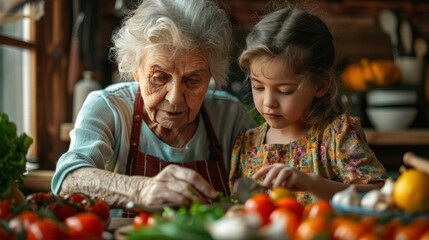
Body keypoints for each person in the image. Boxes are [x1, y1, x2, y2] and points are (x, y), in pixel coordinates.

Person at [51, 0, 256, 214]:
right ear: (136, 72)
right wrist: (140, 190)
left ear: (211, 77)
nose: (175, 98)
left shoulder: (231, 117)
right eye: (160, 77)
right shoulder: (109, 107)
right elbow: (67, 179)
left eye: (193, 80)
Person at [229, 3, 388, 205]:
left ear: (320, 85)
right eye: (258, 87)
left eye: (285, 91)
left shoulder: (336, 137)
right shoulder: (247, 144)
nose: (268, 102)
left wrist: (314, 184)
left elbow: (380, 193)